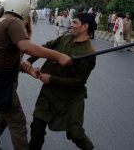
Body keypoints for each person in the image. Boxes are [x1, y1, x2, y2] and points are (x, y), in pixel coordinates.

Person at [0, 0, 71, 150]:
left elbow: (5, 56)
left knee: (6, 110)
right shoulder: (14, 22)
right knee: (18, 122)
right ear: (23, 8)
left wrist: (29, 70)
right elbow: (27, 48)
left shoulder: (3, 20)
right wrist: (59, 56)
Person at [23, 13, 96, 150]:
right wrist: (29, 60)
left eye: (74, 22)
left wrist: (52, 79)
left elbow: (77, 82)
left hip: (71, 97)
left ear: (85, 26)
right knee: (36, 128)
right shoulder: (66, 37)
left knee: (76, 134)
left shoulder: (89, 53)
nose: (71, 24)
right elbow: (46, 47)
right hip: (49, 92)